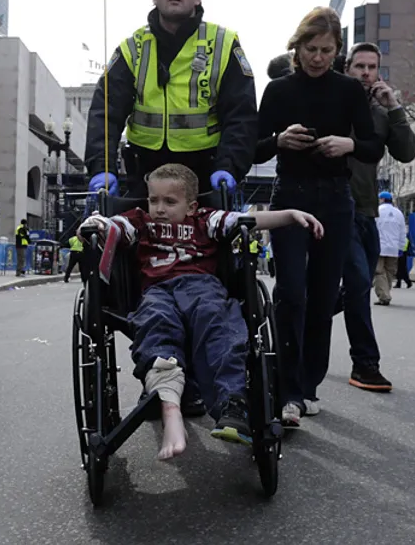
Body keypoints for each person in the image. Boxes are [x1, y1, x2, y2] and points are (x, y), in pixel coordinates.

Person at [79, 164, 323, 459]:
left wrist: (289, 215)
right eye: (153, 200)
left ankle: (232, 402)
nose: (159, 208)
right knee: (157, 323)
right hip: (158, 290)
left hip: (202, 287)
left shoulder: (206, 220)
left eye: (170, 202)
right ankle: (171, 408)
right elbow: (114, 226)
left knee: (220, 326)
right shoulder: (140, 221)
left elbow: (245, 219)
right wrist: (96, 223)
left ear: (192, 206)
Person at [255, 6, 383, 427]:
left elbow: (371, 146)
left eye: (327, 50)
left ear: (337, 51)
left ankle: (308, 386)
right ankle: (286, 389)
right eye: (311, 49)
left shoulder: (348, 91)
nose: (318, 57)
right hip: (290, 195)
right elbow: (252, 149)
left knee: (324, 294)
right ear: (297, 47)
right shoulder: (278, 91)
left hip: (335, 198)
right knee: (292, 292)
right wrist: (278, 140)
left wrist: (348, 144)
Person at [83, 0, 258, 204]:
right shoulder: (132, 49)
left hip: (206, 176)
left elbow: (241, 115)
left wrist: (229, 166)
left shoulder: (224, 44)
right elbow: (105, 112)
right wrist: (102, 167)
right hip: (146, 176)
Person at [339, 44, 415, 391]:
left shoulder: (381, 111)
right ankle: (366, 364)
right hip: (337, 208)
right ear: (347, 68)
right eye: (359, 66)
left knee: (350, 288)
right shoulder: (331, 101)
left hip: (368, 211)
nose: (366, 73)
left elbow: (407, 152)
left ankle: (296, 331)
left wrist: (394, 107)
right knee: (356, 284)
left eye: (372, 67)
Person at [374, 191, 407, 306]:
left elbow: (372, 229)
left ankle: (384, 296)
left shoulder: (377, 211)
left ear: (381, 199)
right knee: (389, 272)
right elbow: (403, 232)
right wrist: (401, 247)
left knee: (378, 272)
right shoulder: (399, 213)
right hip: (394, 248)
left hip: (379, 246)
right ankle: (386, 292)